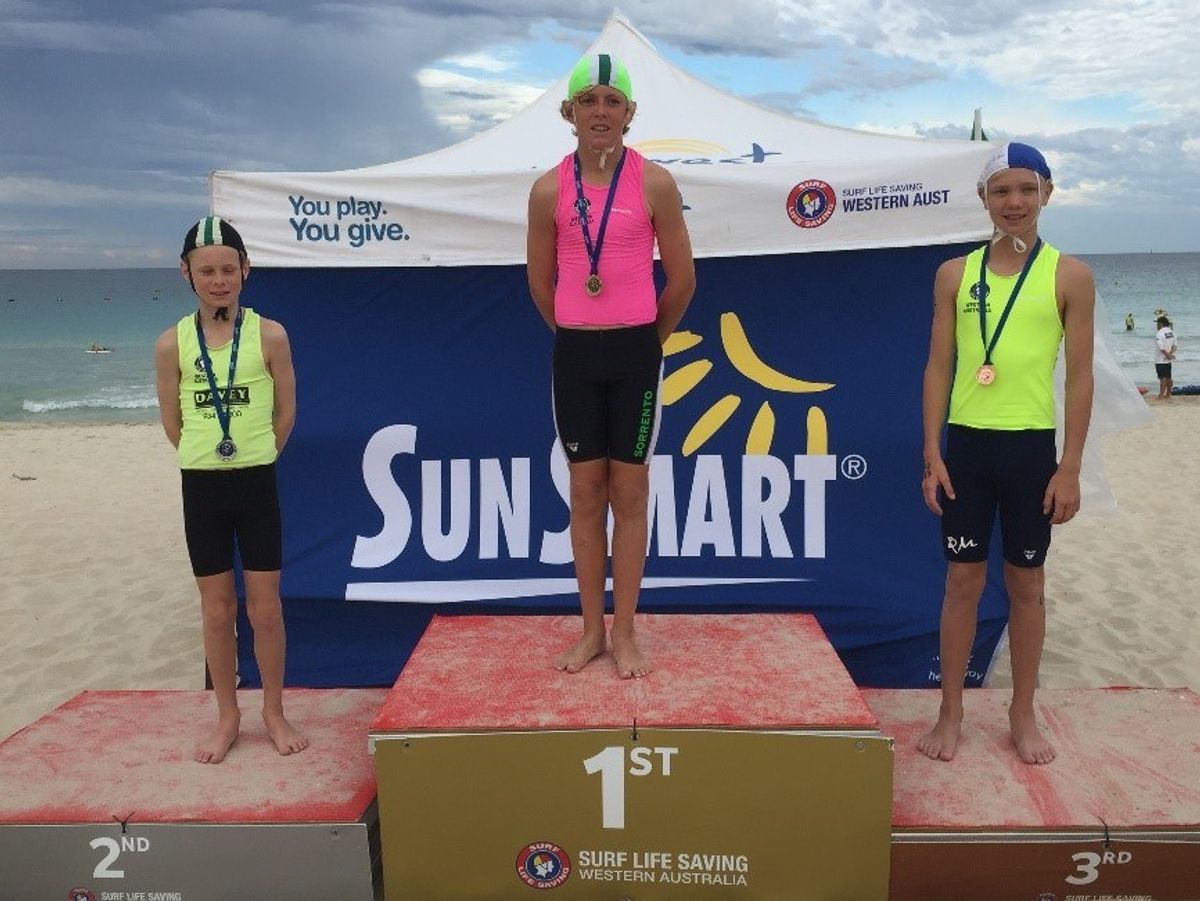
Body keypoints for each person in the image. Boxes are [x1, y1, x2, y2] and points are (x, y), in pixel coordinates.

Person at [919, 143, 1095, 765]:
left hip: (1030, 450)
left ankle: (1023, 711)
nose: (1014, 202)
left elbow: (1079, 378)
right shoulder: (954, 274)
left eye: (1026, 189)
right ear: (983, 199)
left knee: (1027, 583)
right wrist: (932, 452)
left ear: (1047, 192)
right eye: (1001, 191)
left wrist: (1070, 466)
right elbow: (939, 367)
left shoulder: (1069, 276)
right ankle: (951, 710)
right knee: (962, 580)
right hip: (967, 445)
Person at [526, 53, 695, 679]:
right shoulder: (548, 190)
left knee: (630, 493)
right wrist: (578, 329)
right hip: (576, 355)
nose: (600, 111)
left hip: (635, 357)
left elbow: (682, 279)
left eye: (612, 101)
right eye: (588, 101)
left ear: (629, 114)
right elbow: (539, 282)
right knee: (584, 493)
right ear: (569, 113)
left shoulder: (656, 183)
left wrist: (645, 340)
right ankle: (591, 631)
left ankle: (625, 631)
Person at [155, 215, 308, 763]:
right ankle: (227, 717)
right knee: (217, 611)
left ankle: (273, 711)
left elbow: (286, 411)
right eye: (207, 271)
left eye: (227, 269)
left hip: (256, 483)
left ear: (246, 269)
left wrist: (256, 453)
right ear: (186, 273)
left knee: (265, 610)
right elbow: (172, 422)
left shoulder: (270, 335)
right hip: (202, 487)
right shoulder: (171, 343)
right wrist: (208, 455)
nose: (218, 280)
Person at [1154, 315, 1177, 399]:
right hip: (1168, 360)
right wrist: (1170, 355)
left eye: (1157, 323)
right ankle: (1168, 394)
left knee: (1162, 378)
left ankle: (1161, 395)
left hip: (1160, 359)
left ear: (1161, 323)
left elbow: (1161, 348)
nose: (1156, 325)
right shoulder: (1172, 332)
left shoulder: (1159, 333)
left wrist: (1168, 355)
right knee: (1168, 377)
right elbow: (1175, 346)